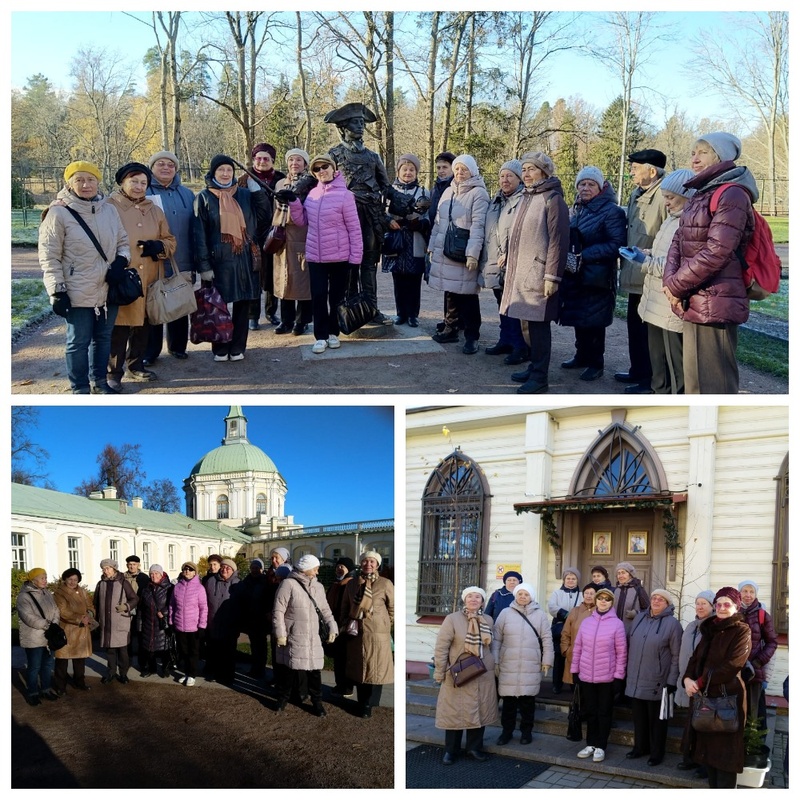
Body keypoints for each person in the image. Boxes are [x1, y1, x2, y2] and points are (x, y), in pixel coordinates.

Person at [663, 132, 756, 393]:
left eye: (703, 152)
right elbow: (679, 240)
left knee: (715, 387)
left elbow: (718, 250)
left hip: (716, 301)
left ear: (720, 156)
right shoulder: (701, 193)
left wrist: (676, 286)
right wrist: (671, 283)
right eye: (693, 152)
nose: (694, 158)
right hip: (695, 296)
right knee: (695, 383)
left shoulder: (732, 194)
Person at [38, 160, 129, 394]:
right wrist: (56, 290)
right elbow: (49, 255)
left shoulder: (109, 209)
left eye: (90, 179)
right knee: (77, 342)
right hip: (76, 289)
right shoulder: (58, 213)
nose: (86, 184)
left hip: (108, 288)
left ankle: (100, 383)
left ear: (98, 181)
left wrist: (121, 261)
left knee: (103, 338)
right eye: (79, 180)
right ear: (68, 184)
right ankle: (80, 388)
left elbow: (123, 242)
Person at [326, 102, 418, 324]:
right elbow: (321, 181)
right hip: (345, 217)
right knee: (348, 265)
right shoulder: (334, 154)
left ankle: (371, 309)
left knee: (368, 265)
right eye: (354, 123)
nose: (359, 127)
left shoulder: (373, 157)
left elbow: (386, 188)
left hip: (370, 217)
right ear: (343, 128)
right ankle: (347, 310)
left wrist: (410, 202)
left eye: (361, 123)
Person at [500, 151, 570, 394]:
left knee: (539, 327)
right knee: (526, 323)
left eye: (532, 169)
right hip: (521, 271)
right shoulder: (527, 197)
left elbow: (558, 241)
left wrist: (552, 276)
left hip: (540, 273)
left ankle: (541, 378)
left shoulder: (553, 199)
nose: (526, 173)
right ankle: (534, 366)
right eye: (525, 169)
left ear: (544, 172)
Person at [193, 154, 271, 362]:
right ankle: (220, 347)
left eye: (229, 170)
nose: (226, 174)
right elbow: (199, 234)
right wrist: (204, 266)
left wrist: (258, 192)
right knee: (217, 304)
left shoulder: (245, 194)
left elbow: (264, 217)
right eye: (221, 170)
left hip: (244, 256)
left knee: (243, 305)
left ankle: (237, 347)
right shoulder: (204, 197)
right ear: (213, 172)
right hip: (218, 260)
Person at [107, 162, 177, 391]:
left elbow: (170, 240)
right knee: (120, 325)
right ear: (122, 182)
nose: (139, 187)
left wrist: (158, 246)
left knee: (144, 323)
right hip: (123, 275)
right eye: (134, 181)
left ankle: (136, 364)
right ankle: (113, 372)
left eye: (143, 183)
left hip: (150, 275)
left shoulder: (155, 209)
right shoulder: (108, 206)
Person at [627, 169, 694, 394]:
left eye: (670, 198)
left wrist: (643, 261)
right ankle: (658, 391)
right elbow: (663, 251)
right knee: (657, 359)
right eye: (665, 197)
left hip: (669, 305)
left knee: (675, 363)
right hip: (655, 301)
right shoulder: (671, 221)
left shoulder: (689, 223)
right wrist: (644, 252)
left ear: (687, 195)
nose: (666, 203)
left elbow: (678, 265)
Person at [290, 153, 363, 355]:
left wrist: (355, 259)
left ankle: (334, 332)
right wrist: (294, 203)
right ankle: (320, 336)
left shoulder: (346, 196)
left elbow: (354, 229)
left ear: (333, 168)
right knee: (319, 296)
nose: (322, 171)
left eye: (325, 167)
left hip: (340, 256)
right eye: (317, 169)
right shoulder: (312, 194)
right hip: (316, 256)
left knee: (337, 297)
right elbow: (302, 221)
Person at [559, 166, 626, 381]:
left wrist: (585, 254)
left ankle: (596, 362)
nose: (585, 188)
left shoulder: (612, 211)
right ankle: (581, 355)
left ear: (600, 187)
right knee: (580, 317)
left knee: (595, 321)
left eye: (590, 184)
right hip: (577, 273)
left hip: (598, 275)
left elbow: (617, 244)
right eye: (582, 184)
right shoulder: (577, 208)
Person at [682, 587, 752, 788]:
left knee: (726, 757)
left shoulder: (741, 630)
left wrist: (700, 682)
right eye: (719, 604)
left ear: (736, 606)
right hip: (704, 699)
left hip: (728, 698)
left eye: (727, 604)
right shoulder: (709, 629)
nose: (721, 608)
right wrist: (687, 679)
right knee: (709, 755)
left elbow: (733, 665)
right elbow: (695, 659)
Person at [616, 149, 668, 393]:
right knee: (635, 330)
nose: (632, 172)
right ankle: (637, 371)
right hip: (635, 273)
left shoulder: (664, 195)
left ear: (652, 171)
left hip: (652, 275)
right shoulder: (637, 194)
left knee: (650, 335)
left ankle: (650, 381)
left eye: (636, 168)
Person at [428, 154, 490, 355]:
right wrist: (431, 246)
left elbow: (479, 226)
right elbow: (439, 223)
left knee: (468, 295)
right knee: (451, 292)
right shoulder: (448, 192)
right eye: (457, 169)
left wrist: (473, 254)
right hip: (447, 250)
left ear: (472, 170)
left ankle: (472, 336)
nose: (460, 173)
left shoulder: (478, 194)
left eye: (464, 169)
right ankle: (450, 328)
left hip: (464, 253)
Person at [433, 586, 499, 765]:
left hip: (483, 673)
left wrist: (494, 665)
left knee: (480, 710)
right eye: (470, 596)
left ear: (482, 601)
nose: (474, 600)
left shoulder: (488, 619)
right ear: (464, 599)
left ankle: (474, 748)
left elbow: (492, 646)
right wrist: (442, 671)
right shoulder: (452, 619)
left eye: (478, 597)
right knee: (454, 713)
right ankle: (451, 751)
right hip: (458, 674)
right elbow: (441, 647)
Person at [144, 150, 196, 364]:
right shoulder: (143, 191)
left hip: (182, 256)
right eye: (160, 164)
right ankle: (150, 351)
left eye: (170, 165)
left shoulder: (187, 193)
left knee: (179, 300)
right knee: (154, 303)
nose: (166, 168)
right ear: (152, 168)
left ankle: (177, 346)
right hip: (152, 259)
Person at [272, 554, 337, 717]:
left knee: (314, 672)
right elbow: (278, 610)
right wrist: (280, 633)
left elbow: (325, 610)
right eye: (315, 569)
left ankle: (317, 702)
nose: (317, 572)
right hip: (294, 636)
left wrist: (332, 627)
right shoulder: (288, 584)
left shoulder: (319, 587)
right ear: (307, 569)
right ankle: (282, 699)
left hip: (313, 637)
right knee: (289, 670)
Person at [625, 589, 682, 766]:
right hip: (636, 676)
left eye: (661, 599)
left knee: (657, 720)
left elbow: (676, 655)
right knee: (639, 717)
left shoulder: (672, 624)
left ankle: (657, 753)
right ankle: (640, 747)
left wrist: (672, 681)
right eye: (654, 598)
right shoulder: (639, 618)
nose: (656, 601)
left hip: (658, 679)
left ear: (667, 604)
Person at [492, 582, 553, 745]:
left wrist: (547, 660)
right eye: (520, 594)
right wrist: (495, 660)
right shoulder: (505, 613)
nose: (523, 597)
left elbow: (547, 638)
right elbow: (496, 639)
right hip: (508, 664)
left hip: (530, 664)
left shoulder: (539, 615)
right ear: (516, 595)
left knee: (527, 702)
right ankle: (506, 732)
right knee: (509, 702)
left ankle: (526, 732)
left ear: (531, 597)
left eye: (526, 594)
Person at [571, 586, 627, 763]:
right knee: (590, 711)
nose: (603, 601)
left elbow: (621, 652)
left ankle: (601, 746)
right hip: (587, 675)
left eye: (607, 599)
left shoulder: (617, 624)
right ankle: (591, 743)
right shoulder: (587, 622)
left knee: (604, 712)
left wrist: (618, 676)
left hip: (607, 678)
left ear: (611, 603)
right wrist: (575, 670)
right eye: (600, 598)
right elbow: (578, 647)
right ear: (595, 601)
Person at [478, 160, 527, 364]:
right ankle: (505, 339)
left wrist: (510, 253)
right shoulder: (495, 200)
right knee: (502, 303)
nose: (504, 180)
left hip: (514, 261)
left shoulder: (524, 200)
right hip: (495, 262)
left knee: (515, 306)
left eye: (509, 176)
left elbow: (524, 232)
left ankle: (520, 346)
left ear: (519, 179)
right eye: (501, 176)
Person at [343, 551, 394, 718]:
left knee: (375, 669)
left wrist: (385, 625)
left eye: (372, 562)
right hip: (356, 632)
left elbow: (393, 608)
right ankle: (362, 702)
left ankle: (370, 704)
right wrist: (344, 623)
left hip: (377, 633)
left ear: (377, 565)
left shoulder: (385, 584)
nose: (368, 565)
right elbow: (345, 606)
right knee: (360, 669)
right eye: (365, 561)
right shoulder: (352, 584)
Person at [241, 142, 286, 330]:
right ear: (253, 160)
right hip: (252, 233)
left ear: (272, 160)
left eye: (266, 158)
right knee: (254, 274)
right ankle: (253, 316)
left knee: (272, 273)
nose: (262, 161)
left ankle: (270, 312)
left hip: (275, 232)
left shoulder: (282, 179)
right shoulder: (244, 180)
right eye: (258, 158)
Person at [381, 153, 429, 327]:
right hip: (395, 239)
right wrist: (389, 221)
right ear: (399, 171)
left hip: (414, 240)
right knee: (398, 279)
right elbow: (382, 214)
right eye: (405, 169)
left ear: (416, 172)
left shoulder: (423, 191)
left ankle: (413, 314)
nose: (408, 173)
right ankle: (400, 313)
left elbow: (429, 218)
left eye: (411, 170)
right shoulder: (389, 191)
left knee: (414, 280)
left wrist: (420, 223)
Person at [272, 148, 315, 335]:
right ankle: (286, 320)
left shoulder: (311, 184)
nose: (294, 163)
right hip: (282, 238)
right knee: (284, 279)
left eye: (298, 160)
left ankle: (302, 320)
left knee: (303, 280)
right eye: (291, 160)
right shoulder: (281, 183)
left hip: (302, 236)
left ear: (305, 164)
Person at [675, 589, 716, 774]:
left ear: (712, 606)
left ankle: (704, 763)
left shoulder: (714, 627)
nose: (700, 606)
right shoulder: (691, 625)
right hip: (688, 681)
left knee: (705, 724)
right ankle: (690, 757)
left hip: (704, 684)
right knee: (691, 722)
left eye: (704, 603)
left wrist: (699, 680)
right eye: (698, 603)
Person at [738, 579, 778, 731]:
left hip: (755, 673)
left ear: (755, 594)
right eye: (745, 591)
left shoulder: (763, 615)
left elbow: (772, 642)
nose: (748, 595)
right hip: (735, 673)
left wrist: (757, 662)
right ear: (739, 593)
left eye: (751, 591)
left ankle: (753, 748)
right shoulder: (733, 613)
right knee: (735, 710)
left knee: (754, 714)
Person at [17, 567, 60, 705]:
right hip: (34, 637)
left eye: (46, 577)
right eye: (42, 578)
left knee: (47, 665)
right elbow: (28, 617)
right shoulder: (24, 597)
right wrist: (49, 625)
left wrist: (54, 624)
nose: (45, 580)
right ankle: (33, 693)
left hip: (48, 637)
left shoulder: (47, 593)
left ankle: (46, 690)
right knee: (34, 667)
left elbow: (56, 610)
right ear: (34, 580)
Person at [94, 558, 139, 684]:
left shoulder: (123, 582)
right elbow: (96, 603)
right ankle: (111, 673)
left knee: (122, 651)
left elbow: (134, 599)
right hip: (106, 623)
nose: (105, 571)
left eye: (108, 568)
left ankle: (123, 674)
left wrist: (126, 607)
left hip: (120, 622)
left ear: (114, 569)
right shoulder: (100, 584)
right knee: (110, 650)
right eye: (103, 568)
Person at [52, 568, 95, 696]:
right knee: (62, 660)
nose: (72, 582)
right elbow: (63, 611)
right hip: (67, 630)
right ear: (64, 579)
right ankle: (61, 686)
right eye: (70, 579)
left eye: (75, 579)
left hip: (82, 630)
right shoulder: (59, 593)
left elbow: (90, 605)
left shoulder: (82, 591)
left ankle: (80, 682)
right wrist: (80, 618)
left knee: (80, 659)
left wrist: (90, 615)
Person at [169, 561, 208, 687]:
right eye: (185, 569)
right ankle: (186, 673)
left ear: (195, 572)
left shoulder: (199, 588)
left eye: (190, 569)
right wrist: (171, 621)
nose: (187, 571)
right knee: (183, 652)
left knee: (193, 652)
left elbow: (203, 607)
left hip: (194, 627)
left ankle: (192, 675)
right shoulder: (177, 587)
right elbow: (172, 606)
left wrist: (202, 625)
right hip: (180, 625)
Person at [203, 557, 241, 685]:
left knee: (229, 652)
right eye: (223, 567)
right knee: (214, 651)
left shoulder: (238, 584)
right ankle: (215, 673)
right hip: (213, 622)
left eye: (228, 568)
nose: (225, 569)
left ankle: (229, 676)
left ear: (233, 570)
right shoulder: (211, 581)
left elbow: (242, 605)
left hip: (230, 625)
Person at [547, 567, 582, 694]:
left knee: (573, 657)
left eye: (573, 579)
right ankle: (557, 684)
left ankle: (573, 684)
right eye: (568, 578)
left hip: (576, 630)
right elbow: (552, 607)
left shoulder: (582, 595)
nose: (571, 581)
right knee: (559, 657)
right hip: (560, 629)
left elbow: (583, 609)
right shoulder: (557, 593)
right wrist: (567, 615)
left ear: (577, 580)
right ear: (564, 580)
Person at [326, 557, 357, 697]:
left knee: (346, 658)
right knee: (338, 658)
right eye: (338, 566)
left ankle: (347, 687)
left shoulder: (351, 584)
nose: (339, 568)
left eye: (342, 567)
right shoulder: (335, 584)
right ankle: (340, 685)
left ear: (348, 569)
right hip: (334, 625)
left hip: (345, 626)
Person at [138, 564, 174, 678]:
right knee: (149, 648)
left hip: (163, 623)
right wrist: (139, 624)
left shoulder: (170, 588)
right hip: (148, 622)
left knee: (165, 647)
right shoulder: (145, 589)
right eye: (151, 574)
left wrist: (164, 612)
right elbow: (141, 608)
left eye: (156, 573)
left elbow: (174, 604)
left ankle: (165, 668)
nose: (153, 576)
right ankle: (151, 669)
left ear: (161, 574)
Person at [560, 584, 597, 690]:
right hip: (573, 655)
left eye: (592, 593)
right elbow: (565, 633)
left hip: (592, 658)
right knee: (575, 691)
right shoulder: (575, 611)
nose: (588, 596)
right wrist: (566, 650)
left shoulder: (599, 612)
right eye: (586, 593)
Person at [239, 558, 269, 679]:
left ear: (261, 569)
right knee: (254, 645)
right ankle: (254, 668)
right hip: (250, 618)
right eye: (252, 568)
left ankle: (261, 669)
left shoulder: (265, 581)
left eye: (257, 568)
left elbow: (266, 599)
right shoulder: (247, 581)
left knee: (261, 646)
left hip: (261, 618)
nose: (254, 570)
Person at [124, 555, 149, 670]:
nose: (132, 566)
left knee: (140, 638)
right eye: (130, 564)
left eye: (134, 564)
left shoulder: (144, 578)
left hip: (140, 611)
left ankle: (142, 663)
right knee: (126, 638)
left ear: (138, 565)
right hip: (126, 611)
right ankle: (126, 662)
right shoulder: (122, 577)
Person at [613, 561, 649, 636]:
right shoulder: (615, 590)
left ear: (630, 575)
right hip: (615, 631)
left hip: (632, 632)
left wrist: (637, 613)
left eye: (623, 572)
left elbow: (649, 609)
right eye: (618, 573)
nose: (620, 575)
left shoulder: (638, 589)